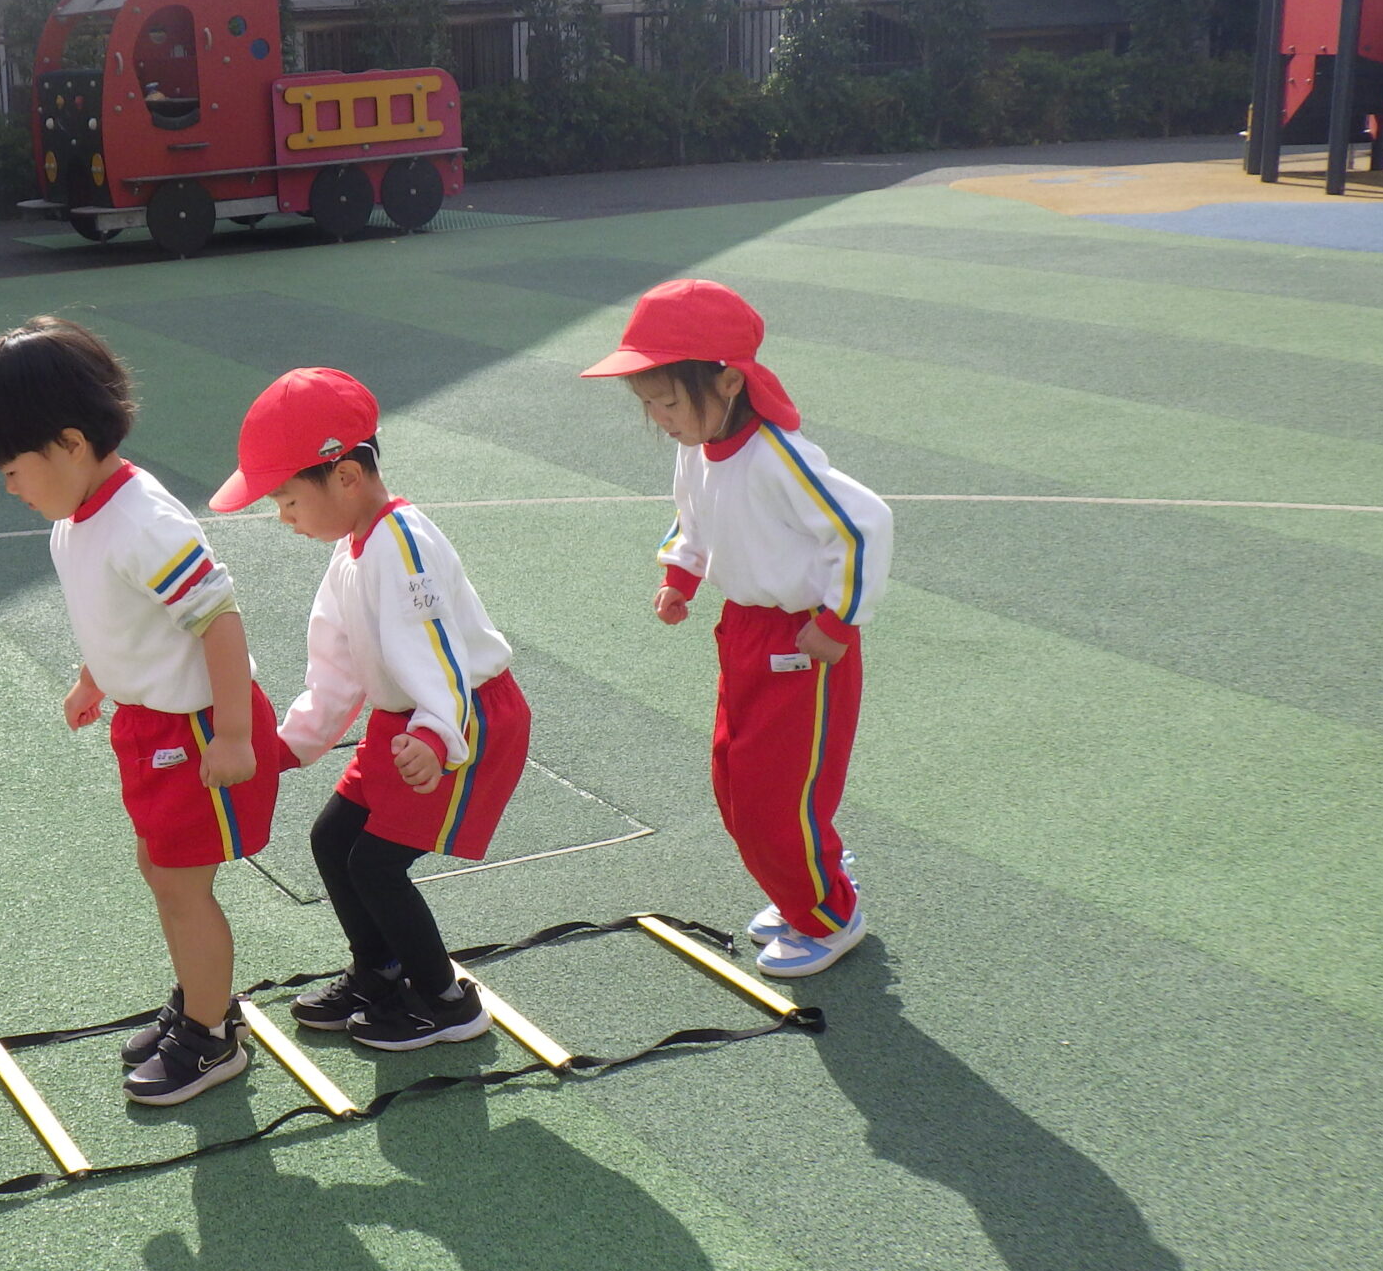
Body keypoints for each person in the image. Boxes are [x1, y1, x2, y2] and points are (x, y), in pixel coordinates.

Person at [0, 316, 292, 1104]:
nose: (11, 487)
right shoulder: (79, 519)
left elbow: (218, 619)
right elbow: (118, 618)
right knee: (160, 870)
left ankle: (211, 1035)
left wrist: (234, 734)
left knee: (181, 885)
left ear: (69, 444)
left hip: (196, 730)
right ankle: (202, 1001)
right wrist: (93, 679)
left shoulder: (143, 523)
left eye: (13, 469)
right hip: (149, 724)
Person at [210, 368, 531, 1049]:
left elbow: (438, 652)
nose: (283, 516)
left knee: (376, 865)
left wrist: (437, 734)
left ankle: (445, 999)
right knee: (333, 839)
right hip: (404, 720)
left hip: (461, 716)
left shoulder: (403, 544)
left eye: (289, 500)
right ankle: (380, 971)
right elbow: (336, 661)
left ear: (346, 477)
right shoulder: (350, 551)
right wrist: (290, 744)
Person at [580, 279, 891, 978]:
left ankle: (830, 914)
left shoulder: (778, 457)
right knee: (734, 778)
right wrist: (681, 575)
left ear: (727, 382)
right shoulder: (697, 447)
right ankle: (804, 882)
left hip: (801, 642)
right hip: (745, 631)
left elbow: (865, 526)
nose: (658, 417)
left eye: (667, 401)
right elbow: (694, 517)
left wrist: (837, 623)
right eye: (648, 403)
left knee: (774, 793)